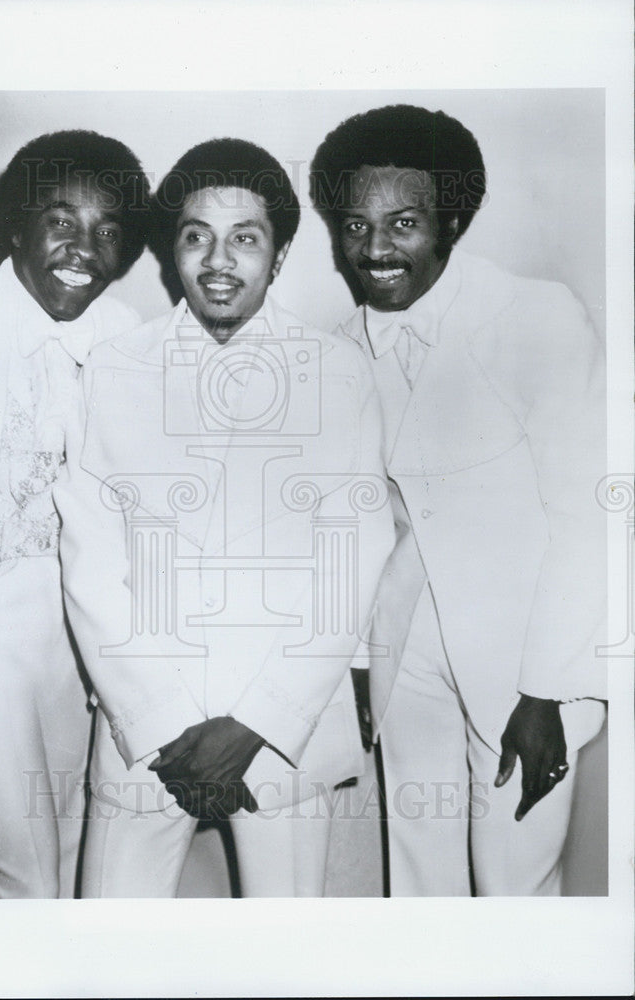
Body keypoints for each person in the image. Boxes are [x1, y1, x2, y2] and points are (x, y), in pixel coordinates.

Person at [55, 138, 395, 897]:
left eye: (245, 238)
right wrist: (165, 720)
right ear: (170, 251)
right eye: (196, 235)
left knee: (285, 953)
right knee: (110, 952)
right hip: (144, 730)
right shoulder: (114, 370)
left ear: (276, 259)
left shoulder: (336, 373)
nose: (218, 259)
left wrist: (256, 723)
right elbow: (90, 562)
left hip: (283, 732)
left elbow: (354, 558)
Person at [310, 104, 607, 896]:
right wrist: (360, 664)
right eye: (354, 225)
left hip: (526, 668)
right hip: (405, 658)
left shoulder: (538, 317)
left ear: (451, 219)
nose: (374, 249)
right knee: (418, 886)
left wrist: (548, 689)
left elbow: (591, 520)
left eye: (402, 222)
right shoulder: (337, 352)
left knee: (515, 895)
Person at [0, 130, 150, 898]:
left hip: (65, 628)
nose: (85, 248)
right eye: (62, 221)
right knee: (26, 877)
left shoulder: (123, 336)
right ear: (17, 225)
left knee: (64, 853)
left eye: (109, 232)